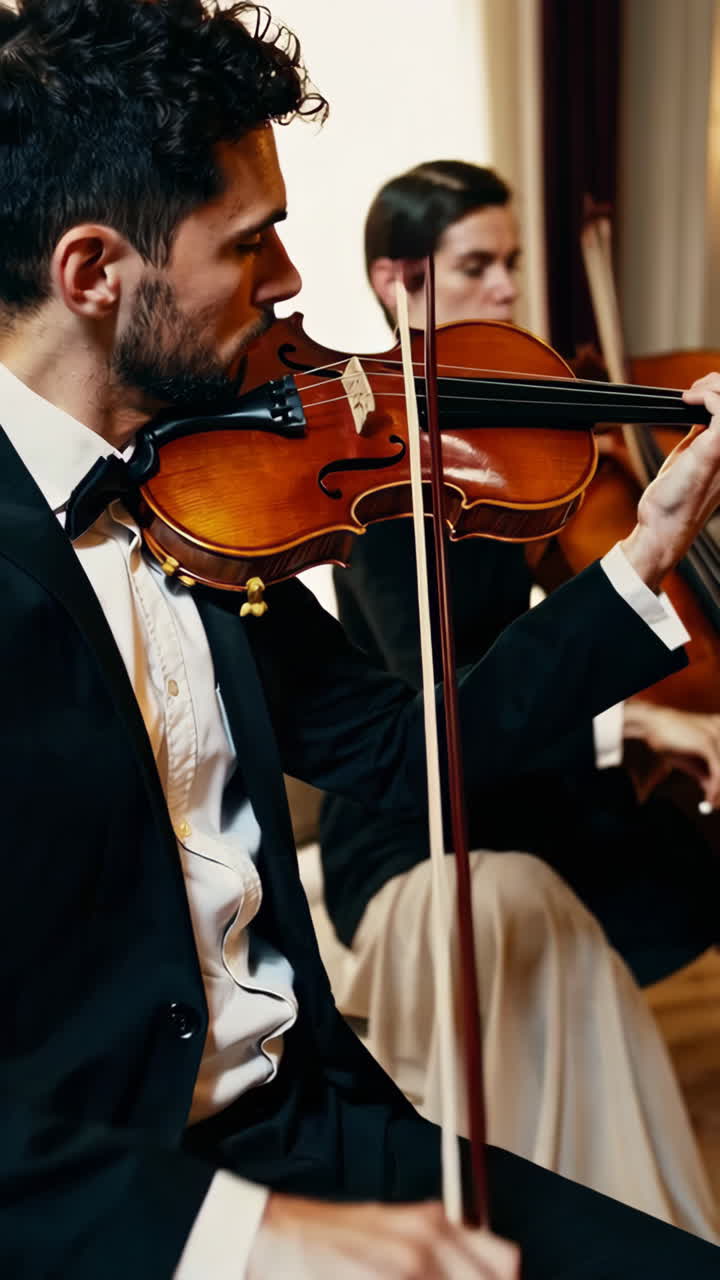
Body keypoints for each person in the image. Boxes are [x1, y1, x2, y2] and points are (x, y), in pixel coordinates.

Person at [2, 5, 720, 1277]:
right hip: (112, 1201)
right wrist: (252, 1235)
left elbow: (411, 750)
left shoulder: (200, 498)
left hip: (318, 1127)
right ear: (94, 271)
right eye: (251, 241)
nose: (288, 282)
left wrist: (645, 547)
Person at [316, 160, 720, 1224]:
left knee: (674, 856)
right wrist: (637, 716)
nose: (506, 289)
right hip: (413, 836)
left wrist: (631, 725)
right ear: (398, 283)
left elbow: (555, 643)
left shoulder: (498, 447)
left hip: (504, 795)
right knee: (541, 899)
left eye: (511, 263)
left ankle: (596, 1220)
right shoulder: (375, 480)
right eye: (476, 266)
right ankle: (574, 1215)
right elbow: (437, 704)